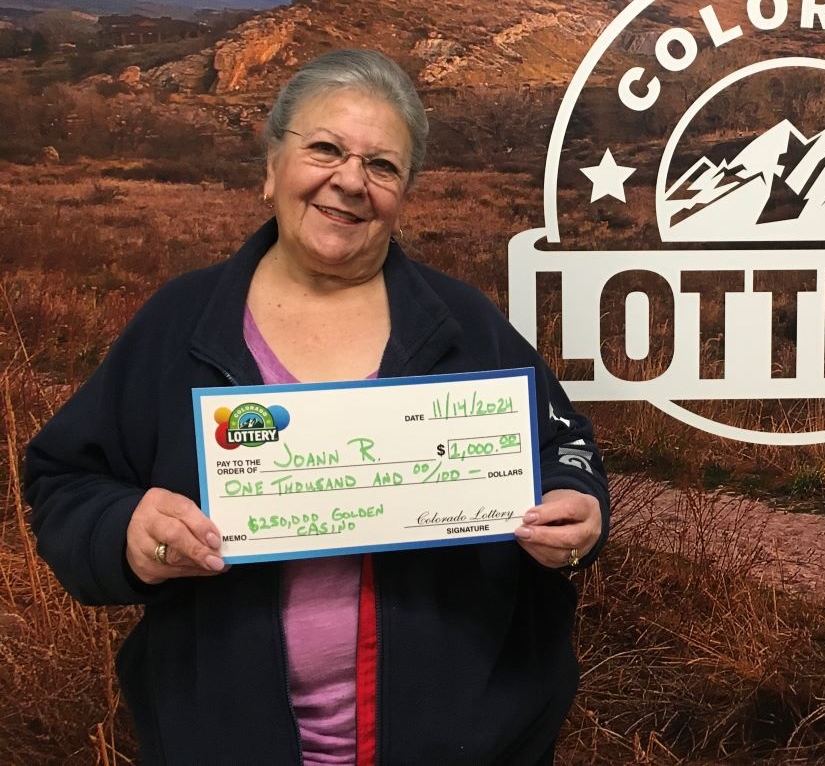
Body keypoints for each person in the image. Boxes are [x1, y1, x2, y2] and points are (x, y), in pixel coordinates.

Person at [23, 48, 608, 765]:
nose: (350, 182)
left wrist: (579, 504)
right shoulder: (179, 324)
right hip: (230, 746)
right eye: (325, 148)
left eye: (383, 166)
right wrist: (124, 531)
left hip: (459, 745)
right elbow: (64, 481)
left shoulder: (464, 324)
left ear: (405, 193)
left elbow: (563, 445)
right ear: (272, 167)